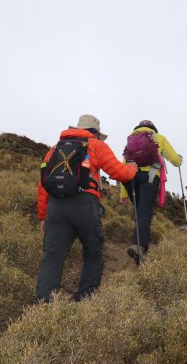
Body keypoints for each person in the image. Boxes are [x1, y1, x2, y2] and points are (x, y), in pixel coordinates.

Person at [36, 114, 137, 302]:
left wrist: (43, 216)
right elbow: (120, 173)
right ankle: (83, 300)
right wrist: (132, 167)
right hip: (84, 205)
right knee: (92, 252)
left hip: (56, 207)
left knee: (52, 258)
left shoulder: (54, 149)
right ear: (96, 133)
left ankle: (43, 304)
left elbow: (43, 185)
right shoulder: (96, 145)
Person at [120, 120, 182, 264]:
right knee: (144, 212)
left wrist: (123, 193)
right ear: (153, 128)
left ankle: (139, 252)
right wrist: (179, 161)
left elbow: (124, 165)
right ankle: (140, 247)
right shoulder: (158, 137)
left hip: (131, 179)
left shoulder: (130, 140)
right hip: (150, 177)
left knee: (139, 212)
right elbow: (174, 159)